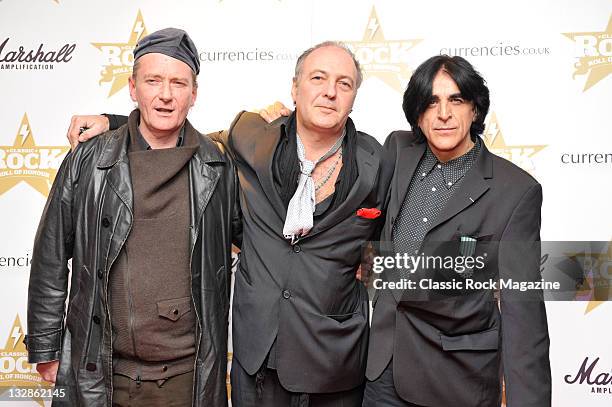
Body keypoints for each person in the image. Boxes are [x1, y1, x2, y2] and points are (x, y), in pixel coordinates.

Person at [66, 41, 394, 407]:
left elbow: (386, 257)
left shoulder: (377, 162)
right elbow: (179, 142)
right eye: (318, 78)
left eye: (344, 83)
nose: (330, 91)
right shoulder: (252, 135)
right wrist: (115, 124)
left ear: (354, 96)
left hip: (335, 364)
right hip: (256, 364)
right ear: (294, 88)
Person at [26, 28, 241, 407]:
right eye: (153, 80)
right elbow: (50, 256)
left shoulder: (219, 167)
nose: (165, 94)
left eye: (178, 83)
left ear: (194, 93)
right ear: (132, 86)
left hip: (187, 378)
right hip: (102, 373)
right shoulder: (89, 160)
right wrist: (45, 345)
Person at [364, 55, 551, 407]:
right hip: (383, 373)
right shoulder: (398, 152)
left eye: (456, 100)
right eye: (431, 102)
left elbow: (522, 315)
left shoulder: (515, 191)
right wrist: (280, 123)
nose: (443, 114)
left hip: (456, 380)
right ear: (417, 114)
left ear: (475, 110)